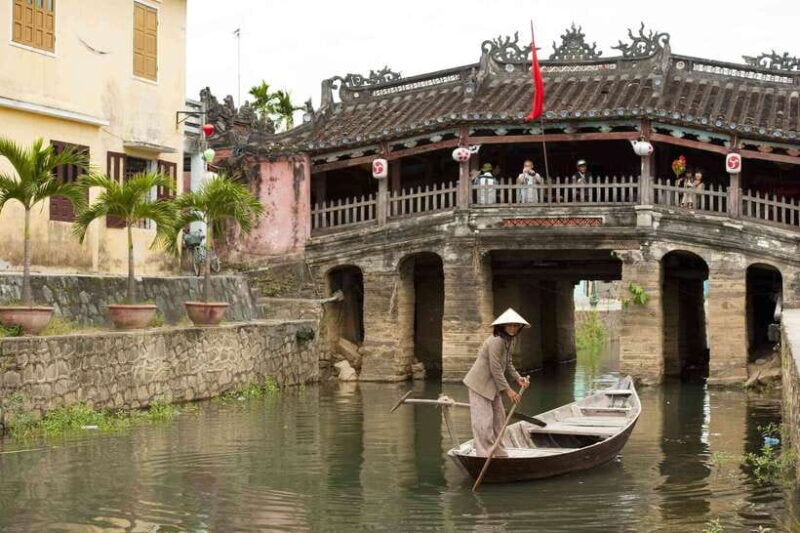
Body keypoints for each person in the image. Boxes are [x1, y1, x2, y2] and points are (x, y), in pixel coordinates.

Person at [463, 308, 531, 457]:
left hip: (493, 386)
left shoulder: (510, 340)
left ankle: (498, 452)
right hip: (479, 385)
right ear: (503, 326)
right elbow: (495, 367)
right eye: (510, 325)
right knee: (484, 423)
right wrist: (508, 390)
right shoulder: (496, 341)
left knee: (499, 420)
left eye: (515, 326)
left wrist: (517, 378)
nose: (513, 328)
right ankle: (485, 455)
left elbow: (507, 363)